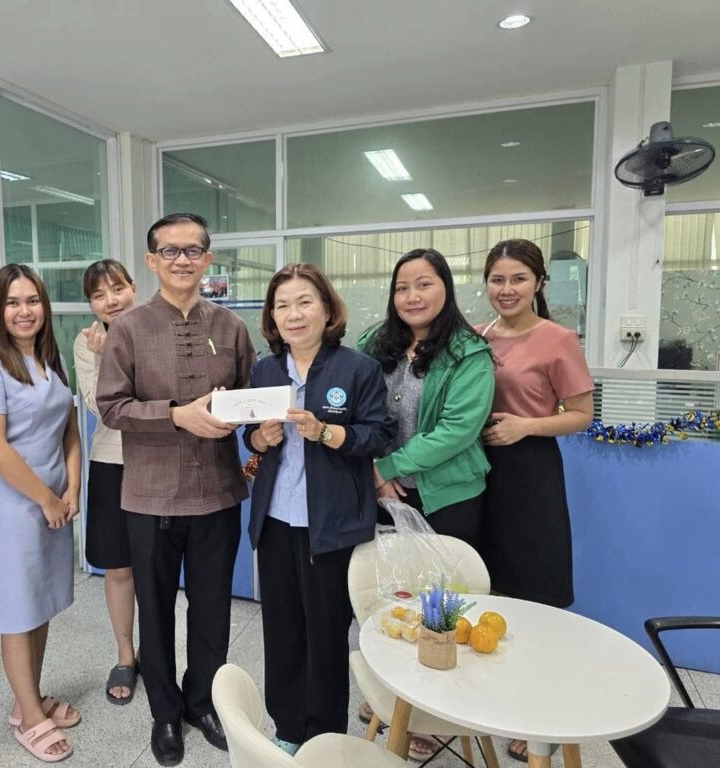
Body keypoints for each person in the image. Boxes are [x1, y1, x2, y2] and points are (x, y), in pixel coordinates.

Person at [96, 213, 255, 767]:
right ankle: (164, 710)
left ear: (208, 259)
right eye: (170, 251)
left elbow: (247, 395)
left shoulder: (231, 327)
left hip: (217, 491)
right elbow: (111, 407)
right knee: (156, 606)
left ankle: (202, 702)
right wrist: (176, 415)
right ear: (152, 260)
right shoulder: (128, 329)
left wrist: (249, 421)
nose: (182, 260)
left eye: (192, 251)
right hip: (150, 496)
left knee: (212, 607)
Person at [244, 264, 392, 754]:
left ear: (327, 309)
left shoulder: (358, 368)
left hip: (331, 525)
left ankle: (326, 736)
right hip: (276, 520)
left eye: (305, 302)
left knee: (326, 634)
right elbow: (249, 436)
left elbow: (378, 434)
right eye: (282, 305)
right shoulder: (265, 371)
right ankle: (288, 729)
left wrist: (326, 432)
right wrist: (259, 439)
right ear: (272, 317)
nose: (293, 314)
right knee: (282, 630)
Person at [357, 247, 495, 762]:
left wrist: (387, 467)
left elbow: (458, 429)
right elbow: (354, 409)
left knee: (440, 604)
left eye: (424, 284)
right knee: (387, 597)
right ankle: (391, 694)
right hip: (379, 490)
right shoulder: (375, 343)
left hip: (445, 495)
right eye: (402, 287)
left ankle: (435, 710)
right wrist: (374, 472)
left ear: (445, 288)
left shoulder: (468, 353)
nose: (412, 296)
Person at [476, 238, 594, 763]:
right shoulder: (478, 336)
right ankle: (490, 702)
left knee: (534, 594)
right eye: (497, 279)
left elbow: (582, 414)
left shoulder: (557, 339)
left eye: (518, 279)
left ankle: (539, 715)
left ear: (539, 283)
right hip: (479, 472)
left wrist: (526, 426)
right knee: (489, 587)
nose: (507, 289)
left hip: (530, 473)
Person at [0, 264, 82, 763]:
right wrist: (46, 499)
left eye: (32, 300)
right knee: (17, 610)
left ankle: (26, 697)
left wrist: (73, 486)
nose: (24, 311)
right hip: (12, 505)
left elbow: (69, 427)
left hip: (54, 498)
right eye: (12, 302)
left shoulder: (51, 357)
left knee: (42, 601)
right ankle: (30, 717)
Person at [72, 259, 139, 705]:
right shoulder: (87, 342)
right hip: (112, 460)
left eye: (117, 289)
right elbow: (102, 409)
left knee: (155, 568)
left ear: (134, 288)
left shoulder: (157, 328)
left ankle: (160, 654)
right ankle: (125, 655)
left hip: (160, 462)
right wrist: (102, 355)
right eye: (99, 295)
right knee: (118, 566)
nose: (110, 301)